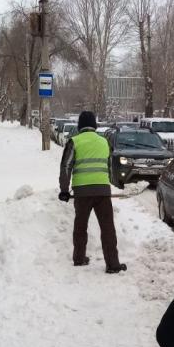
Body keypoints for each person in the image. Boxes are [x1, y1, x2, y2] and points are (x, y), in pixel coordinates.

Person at [58, 111, 126, 274]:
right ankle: (113, 264)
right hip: (103, 191)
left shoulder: (74, 141)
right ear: (94, 125)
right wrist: (107, 183)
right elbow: (109, 167)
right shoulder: (105, 142)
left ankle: (79, 258)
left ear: (80, 126)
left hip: (82, 192)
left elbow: (66, 167)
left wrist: (64, 190)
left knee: (80, 226)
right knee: (107, 227)